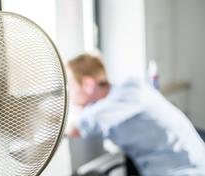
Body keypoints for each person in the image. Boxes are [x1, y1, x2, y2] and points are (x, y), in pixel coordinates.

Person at [66, 53, 205, 175]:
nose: (69, 93)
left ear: (88, 84)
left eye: (70, 85)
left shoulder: (130, 91)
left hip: (187, 170)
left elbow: (76, 128)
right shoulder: (107, 105)